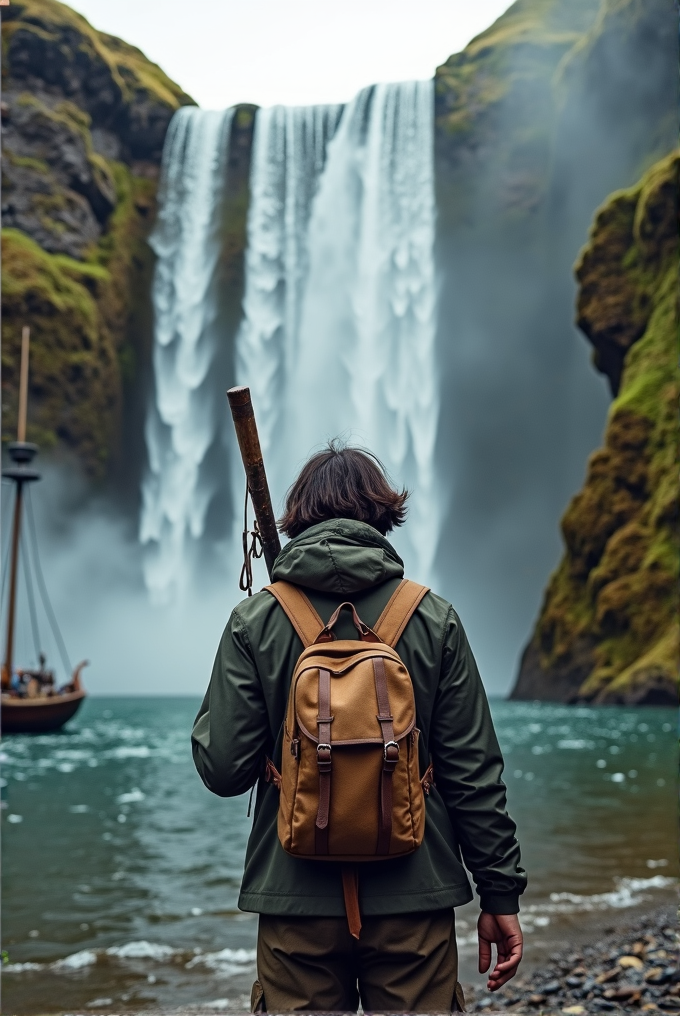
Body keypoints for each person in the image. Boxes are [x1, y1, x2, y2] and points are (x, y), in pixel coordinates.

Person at [192, 442, 526, 1013]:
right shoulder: (433, 618)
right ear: (383, 515)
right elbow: (474, 773)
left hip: (294, 902)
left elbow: (222, 769)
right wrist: (499, 892)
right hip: (415, 897)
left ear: (297, 518)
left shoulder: (258, 620)